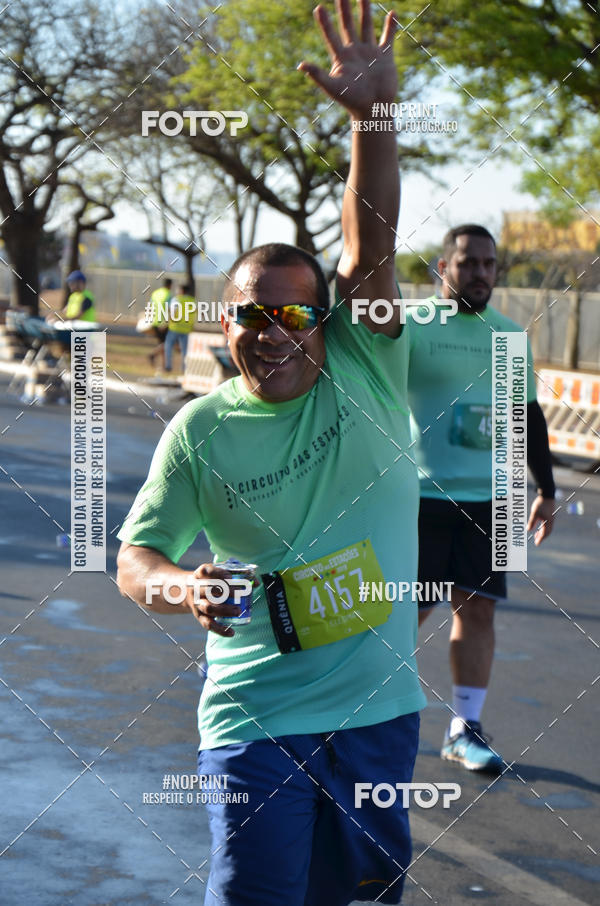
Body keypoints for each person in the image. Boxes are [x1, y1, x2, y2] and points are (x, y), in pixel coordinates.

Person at [117, 2, 427, 904]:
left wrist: (374, 119)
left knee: (364, 897)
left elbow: (371, 243)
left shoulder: (365, 363)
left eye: (294, 312)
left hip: (379, 719)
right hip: (258, 721)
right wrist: (185, 587)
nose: (273, 331)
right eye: (252, 312)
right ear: (225, 323)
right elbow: (138, 560)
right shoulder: (199, 431)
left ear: (325, 323)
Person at [407, 224, 556, 773]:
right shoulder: (414, 327)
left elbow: (527, 417)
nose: (480, 273)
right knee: (406, 611)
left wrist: (545, 489)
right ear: (443, 267)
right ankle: (361, 716)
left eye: (489, 264)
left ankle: (464, 730)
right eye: (468, 262)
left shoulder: (511, 336)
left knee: (480, 611)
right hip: (417, 496)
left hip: (498, 498)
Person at [164, 282, 196, 372]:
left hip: (175, 327)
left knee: (168, 346)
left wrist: (167, 322)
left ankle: (168, 366)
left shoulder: (177, 299)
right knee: (185, 350)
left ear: (181, 290)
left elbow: (173, 312)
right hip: (186, 329)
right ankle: (184, 368)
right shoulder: (192, 301)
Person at [147, 277, 172, 371]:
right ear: (170, 285)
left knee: (162, 343)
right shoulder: (169, 295)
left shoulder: (155, 293)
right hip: (163, 323)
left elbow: (150, 307)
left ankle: (164, 365)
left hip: (155, 321)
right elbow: (170, 309)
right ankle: (153, 355)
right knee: (167, 344)